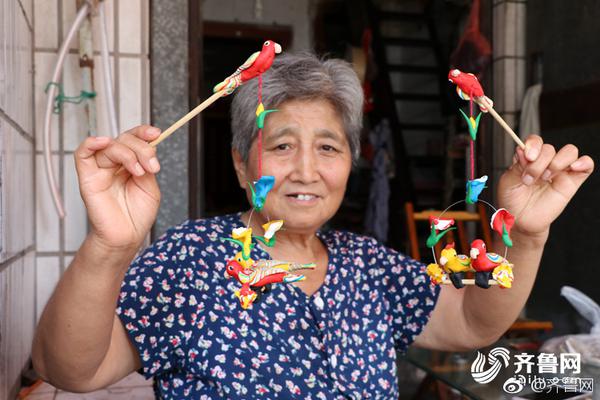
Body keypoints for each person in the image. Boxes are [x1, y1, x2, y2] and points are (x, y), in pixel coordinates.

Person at [32, 53, 594, 399]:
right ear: (239, 160)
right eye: (280, 146)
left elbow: (474, 324)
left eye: (327, 146)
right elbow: (71, 371)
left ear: (350, 161)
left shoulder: (367, 264)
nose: (306, 170)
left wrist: (525, 235)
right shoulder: (193, 258)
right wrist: (108, 244)